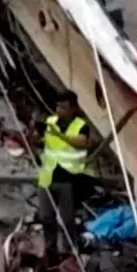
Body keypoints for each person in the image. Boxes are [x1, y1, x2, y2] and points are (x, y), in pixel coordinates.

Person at [36, 91, 98, 261]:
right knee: (46, 217)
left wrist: (59, 135)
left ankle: (69, 251)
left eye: (63, 107)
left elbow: (81, 144)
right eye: (57, 106)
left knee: (67, 219)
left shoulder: (81, 125)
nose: (59, 110)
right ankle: (51, 251)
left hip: (68, 179)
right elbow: (42, 142)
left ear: (73, 108)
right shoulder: (50, 122)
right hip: (47, 177)